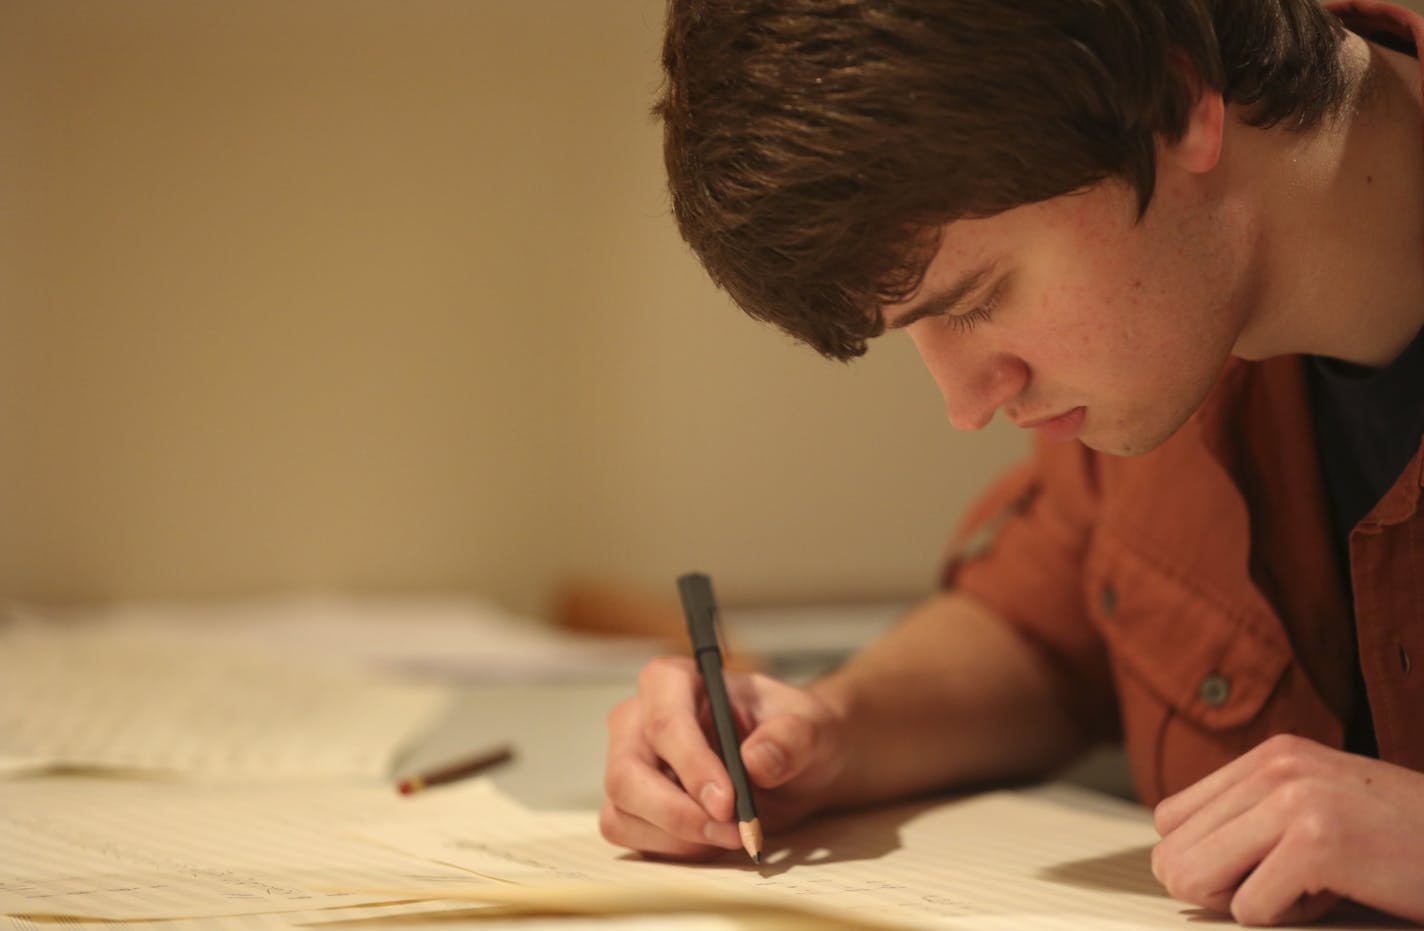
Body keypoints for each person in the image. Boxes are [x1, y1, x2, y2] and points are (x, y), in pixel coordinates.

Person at [601, 0, 1424, 924]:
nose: (966, 404)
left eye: (979, 298)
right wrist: (823, 731)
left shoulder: (1167, 323)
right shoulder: (1178, 347)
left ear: (1177, 100)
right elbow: (1042, 624)